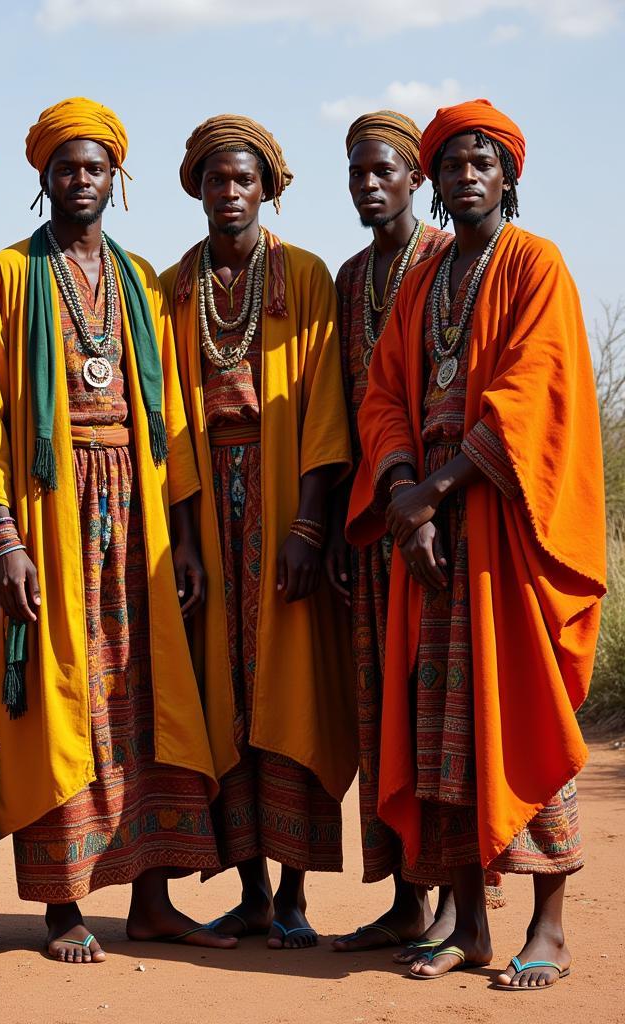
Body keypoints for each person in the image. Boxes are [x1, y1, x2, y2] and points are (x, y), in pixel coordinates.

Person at [0, 97, 234, 964]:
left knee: (142, 694)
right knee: (61, 696)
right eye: (66, 166)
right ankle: (62, 904)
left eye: (95, 167)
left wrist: (187, 540)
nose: (80, 179)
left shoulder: (139, 279)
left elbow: (169, 419)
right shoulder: (11, 278)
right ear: (44, 178)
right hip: (49, 516)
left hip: (137, 513)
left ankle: (152, 898)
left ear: (115, 178)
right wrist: (3, 537)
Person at [348, 99, 605, 988]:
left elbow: (537, 390)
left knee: (522, 707)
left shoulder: (537, 264)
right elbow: (384, 393)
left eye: (481, 162)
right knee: (438, 718)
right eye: (451, 162)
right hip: (429, 527)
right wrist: (400, 498)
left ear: (510, 177)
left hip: (505, 521)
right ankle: (466, 923)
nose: (465, 175)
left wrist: (432, 492)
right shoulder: (424, 281)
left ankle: (550, 927)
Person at [160, 114, 355, 950]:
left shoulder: (305, 275)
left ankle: (297, 895)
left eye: (243, 179)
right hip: (208, 503)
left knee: (292, 687)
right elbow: (168, 416)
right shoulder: (175, 284)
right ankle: (247, 892)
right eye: (214, 179)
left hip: (283, 505)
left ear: (267, 187)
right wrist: (190, 545)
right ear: (197, 188)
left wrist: (310, 525)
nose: (228, 192)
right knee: (223, 697)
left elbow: (322, 405)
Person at [329, 110, 450, 956]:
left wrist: (426, 505)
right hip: (372, 523)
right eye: (358, 173)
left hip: (435, 522)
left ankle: (455, 904)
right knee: (384, 714)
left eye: (384, 172)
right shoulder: (347, 277)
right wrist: (342, 522)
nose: (370, 185)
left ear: (416, 177)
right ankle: (407, 900)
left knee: (438, 701)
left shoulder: (447, 264)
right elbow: (345, 407)